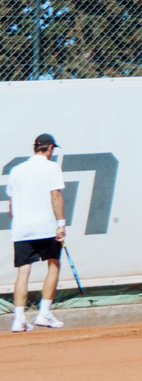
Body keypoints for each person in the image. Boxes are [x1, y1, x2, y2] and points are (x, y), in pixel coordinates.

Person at [8, 134, 66, 331]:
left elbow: (11, 204)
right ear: (50, 148)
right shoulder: (52, 167)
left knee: (23, 271)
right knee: (54, 264)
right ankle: (44, 314)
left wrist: (18, 225)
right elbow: (55, 195)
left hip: (22, 228)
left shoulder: (16, 170)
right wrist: (61, 224)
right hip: (46, 227)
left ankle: (18, 319)